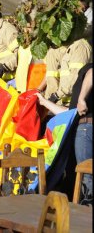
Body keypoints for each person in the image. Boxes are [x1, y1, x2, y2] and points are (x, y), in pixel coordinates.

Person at [37, 63, 92, 205]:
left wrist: (81, 99)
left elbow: (92, 71)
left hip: (86, 128)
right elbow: (69, 113)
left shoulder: (88, 70)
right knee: (81, 175)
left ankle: (86, 214)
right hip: (83, 127)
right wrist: (44, 102)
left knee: (85, 174)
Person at [36, 38, 92, 106]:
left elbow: (75, 79)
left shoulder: (80, 47)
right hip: (56, 103)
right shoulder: (57, 49)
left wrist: (55, 97)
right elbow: (52, 76)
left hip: (70, 104)